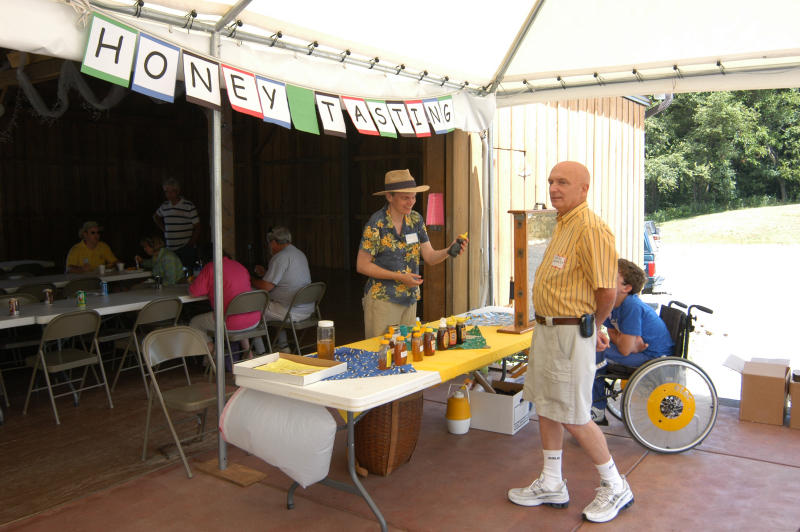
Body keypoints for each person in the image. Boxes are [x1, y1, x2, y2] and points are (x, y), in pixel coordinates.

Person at [508, 161, 634, 523]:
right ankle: (551, 481)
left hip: (570, 332)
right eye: (551, 181)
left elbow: (607, 290)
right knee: (547, 406)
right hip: (549, 330)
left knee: (575, 414)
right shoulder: (563, 222)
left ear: (584, 189)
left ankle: (615, 484)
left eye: (563, 182)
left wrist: (594, 326)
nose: (554, 188)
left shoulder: (591, 228)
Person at [356, 169, 467, 338]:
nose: (411, 202)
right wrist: (399, 277)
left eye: (414, 197)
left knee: (406, 351)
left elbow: (429, 256)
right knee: (380, 354)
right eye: (405, 198)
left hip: (409, 299)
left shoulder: (416, 219)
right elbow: (362, 265)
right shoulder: (376, 223)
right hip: (383, 300)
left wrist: (449, 250)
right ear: (389, 197)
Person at [591, 258, 674, 425]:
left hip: (653, 356)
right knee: (589, 350)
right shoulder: (613, 304)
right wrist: (630, 343)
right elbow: (613, 336)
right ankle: (595, 404)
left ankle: (597, 409)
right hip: (639, 351)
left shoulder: (630, 305)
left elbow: (623, 349)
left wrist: (628, 345)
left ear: (626, 288)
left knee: (591, 354)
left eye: (611, 278)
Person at [188, 253, 261, 364]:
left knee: (195, 322)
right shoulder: (239, 266)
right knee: (239, 314)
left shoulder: (211, 267)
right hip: (253, 320)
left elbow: (193, 293)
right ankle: (249, 354)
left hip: (230, 323)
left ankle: (215, 353)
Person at [251, 226, 312, 350]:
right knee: (274, 306)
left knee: (252, 309)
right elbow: (286, 278)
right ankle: (283, 346)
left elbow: (266, 287)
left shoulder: (280, 257)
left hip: (291, 311)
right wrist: (266, 274)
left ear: (273, 242)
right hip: (307, 308)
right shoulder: (298, 253)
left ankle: (260, 352)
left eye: (269, 244)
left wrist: (248, 278)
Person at [153, 178, 200, 268]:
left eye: (171, 192)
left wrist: (190, 243)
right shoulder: (165, 206)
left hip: (185, 248)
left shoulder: (188, 206)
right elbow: (155, 217)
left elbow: (198, 227)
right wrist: (164, 229)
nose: (168, 195)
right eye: (166, 192)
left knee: (187, 274)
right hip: (170, 249)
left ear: (177, 191)